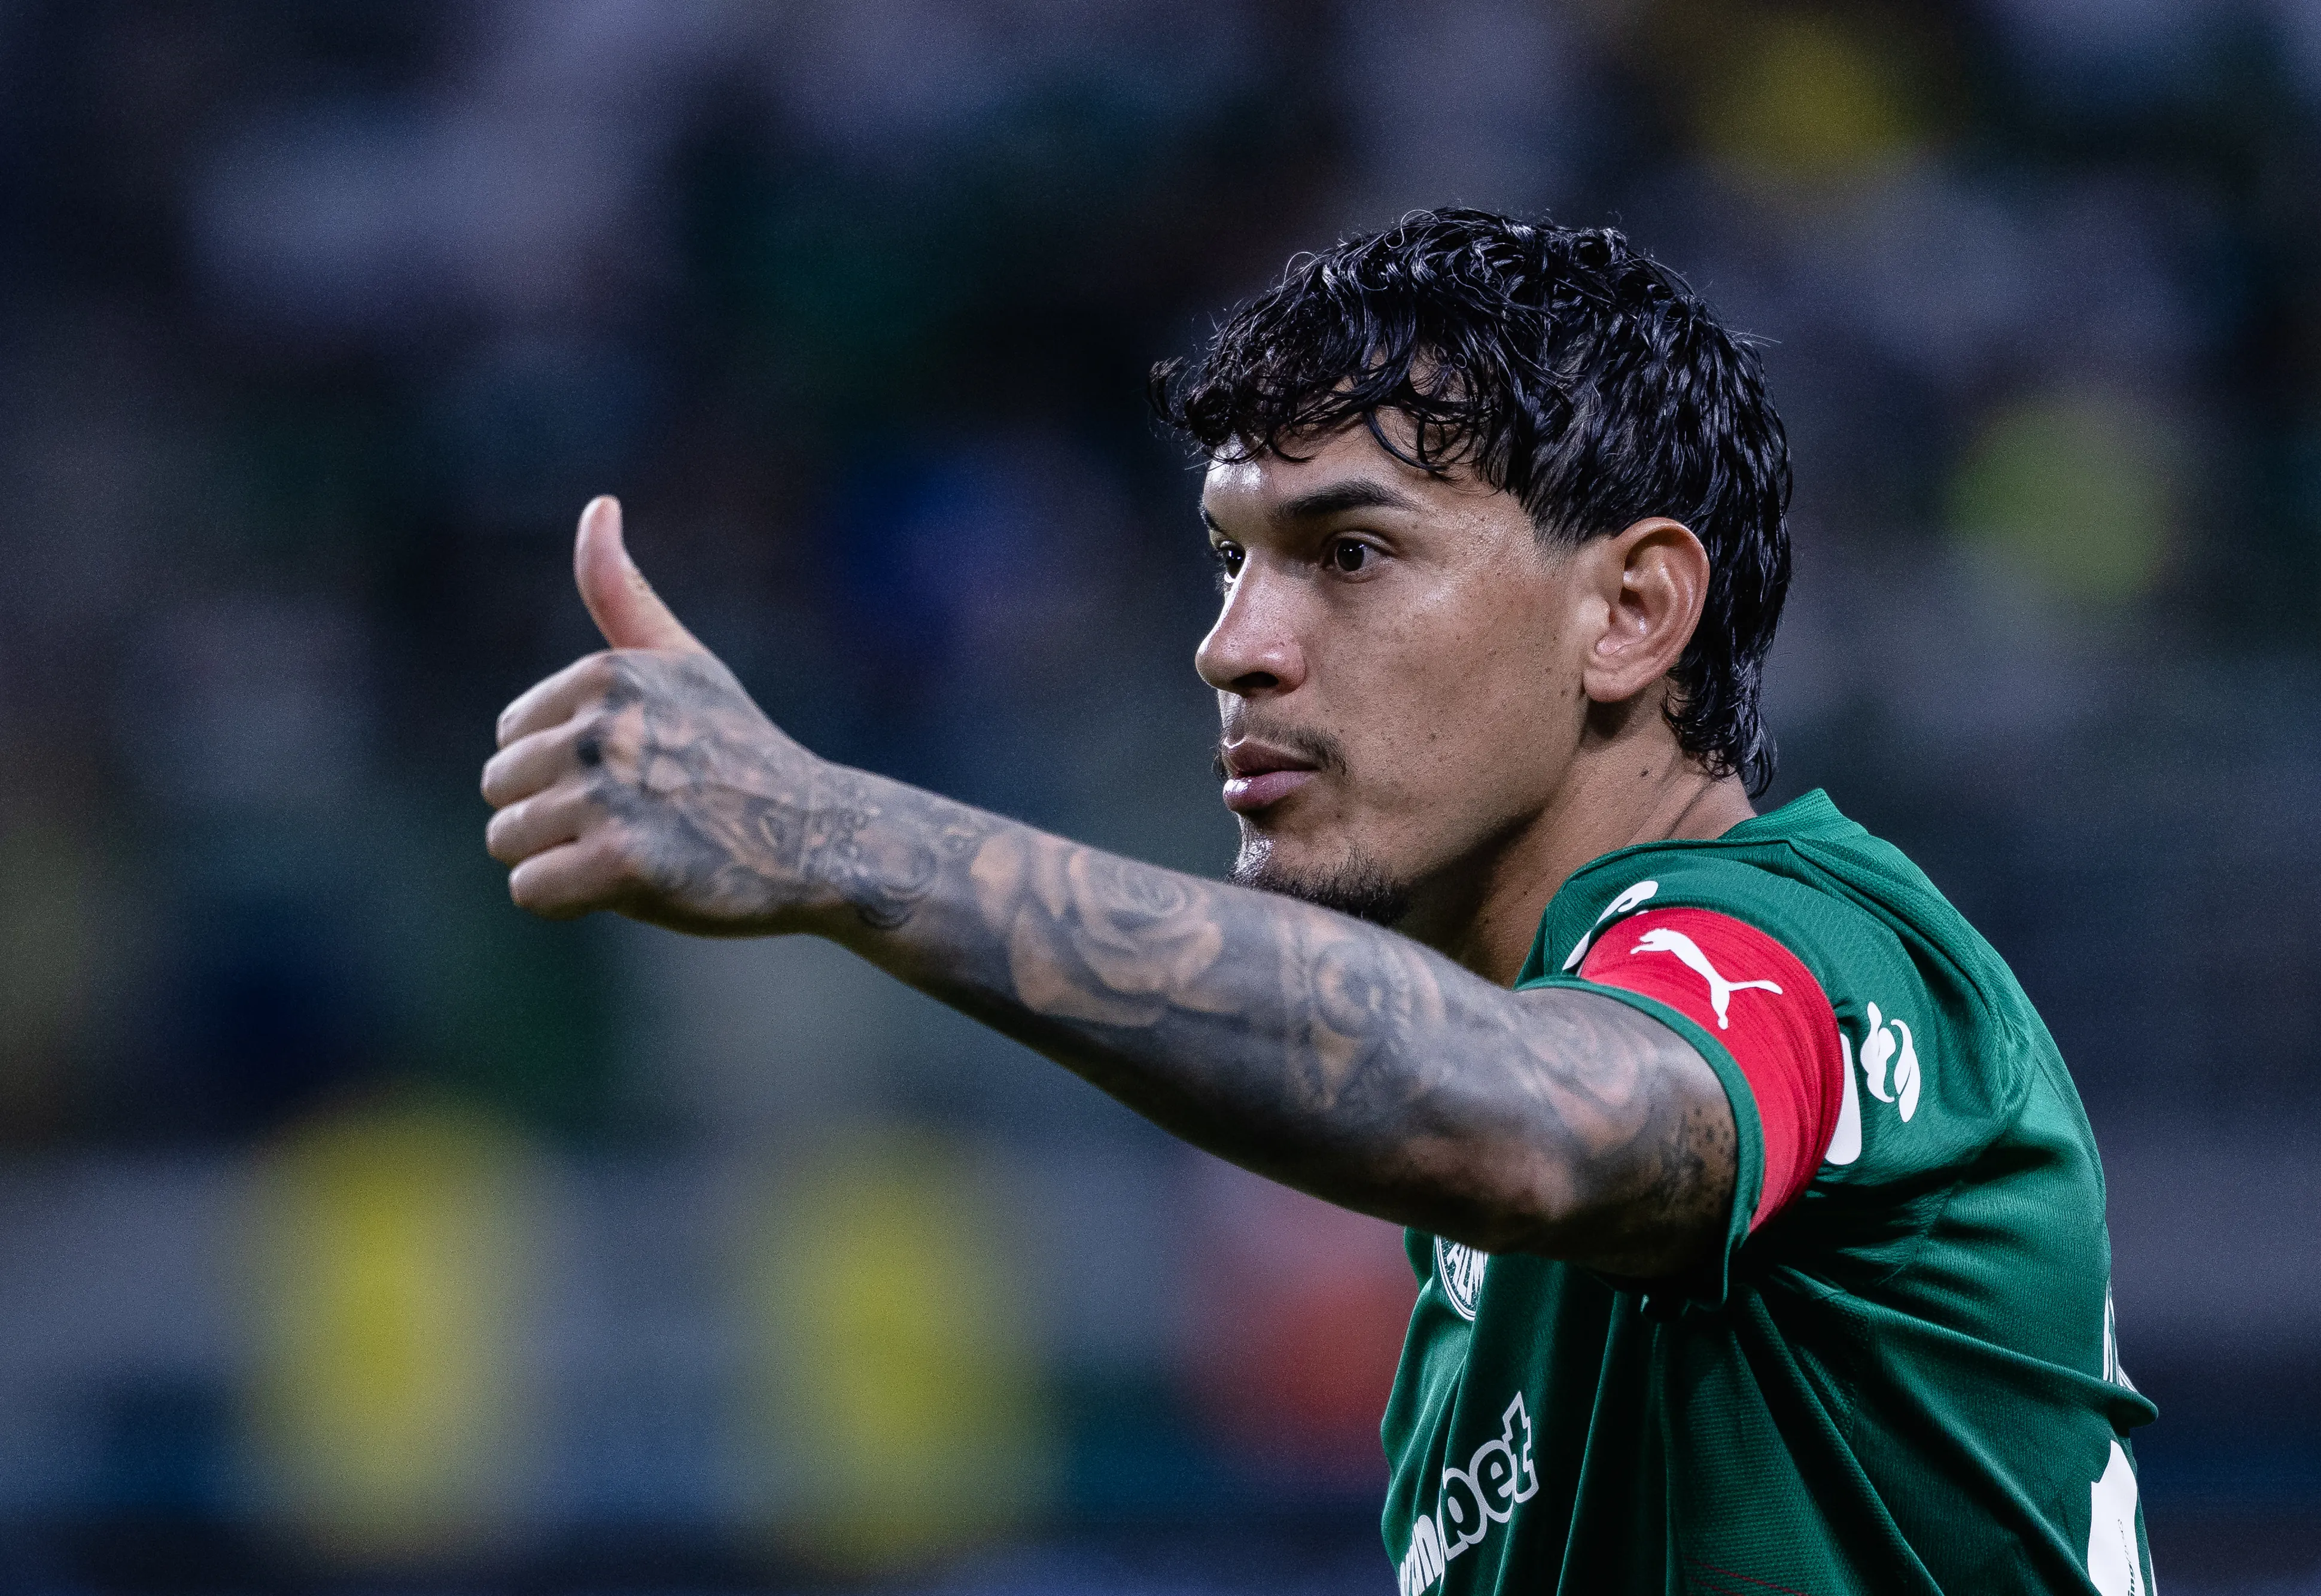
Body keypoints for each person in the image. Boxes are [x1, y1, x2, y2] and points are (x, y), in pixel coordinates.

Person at [480, 209, 2156, 1594]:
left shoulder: (1812, 946)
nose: (1236, 644)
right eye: (1229, 558)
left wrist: (827, 833)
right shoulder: (1466, 1313)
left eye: (1348, 552)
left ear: (1633, 612)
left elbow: (1537, 1112)